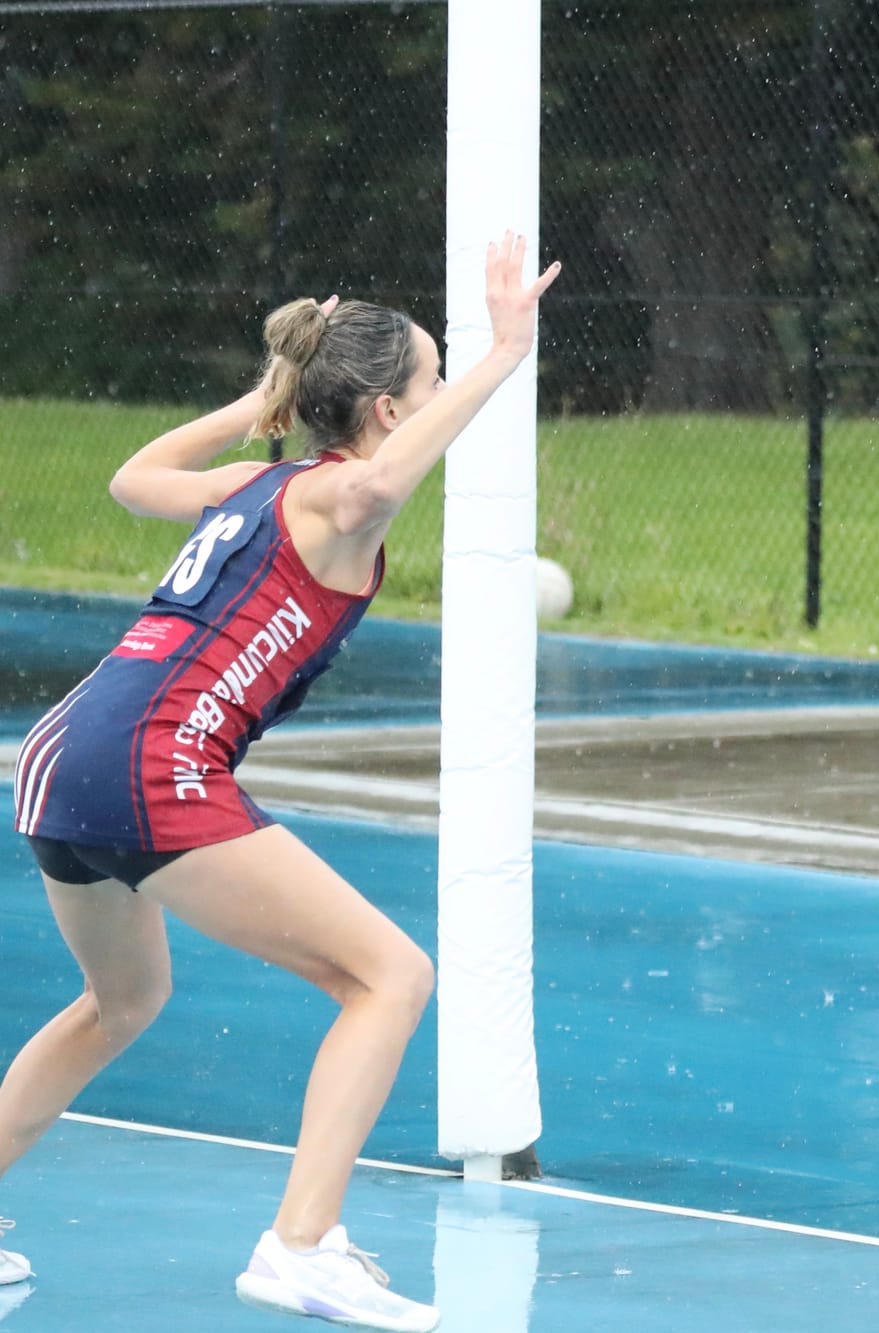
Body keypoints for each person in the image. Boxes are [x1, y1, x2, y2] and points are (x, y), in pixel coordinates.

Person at [1, 233, 559, 1330]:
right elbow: (379, 480)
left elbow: (131, 479)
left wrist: (259, 405)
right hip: (152, 757)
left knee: (123, 1001)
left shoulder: (263, 480)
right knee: (389, 976)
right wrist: (505, 355)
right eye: (432, 381)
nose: (440, 393)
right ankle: (302, 1245)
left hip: (64, 751)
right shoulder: (349, 495)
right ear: (389, 411)